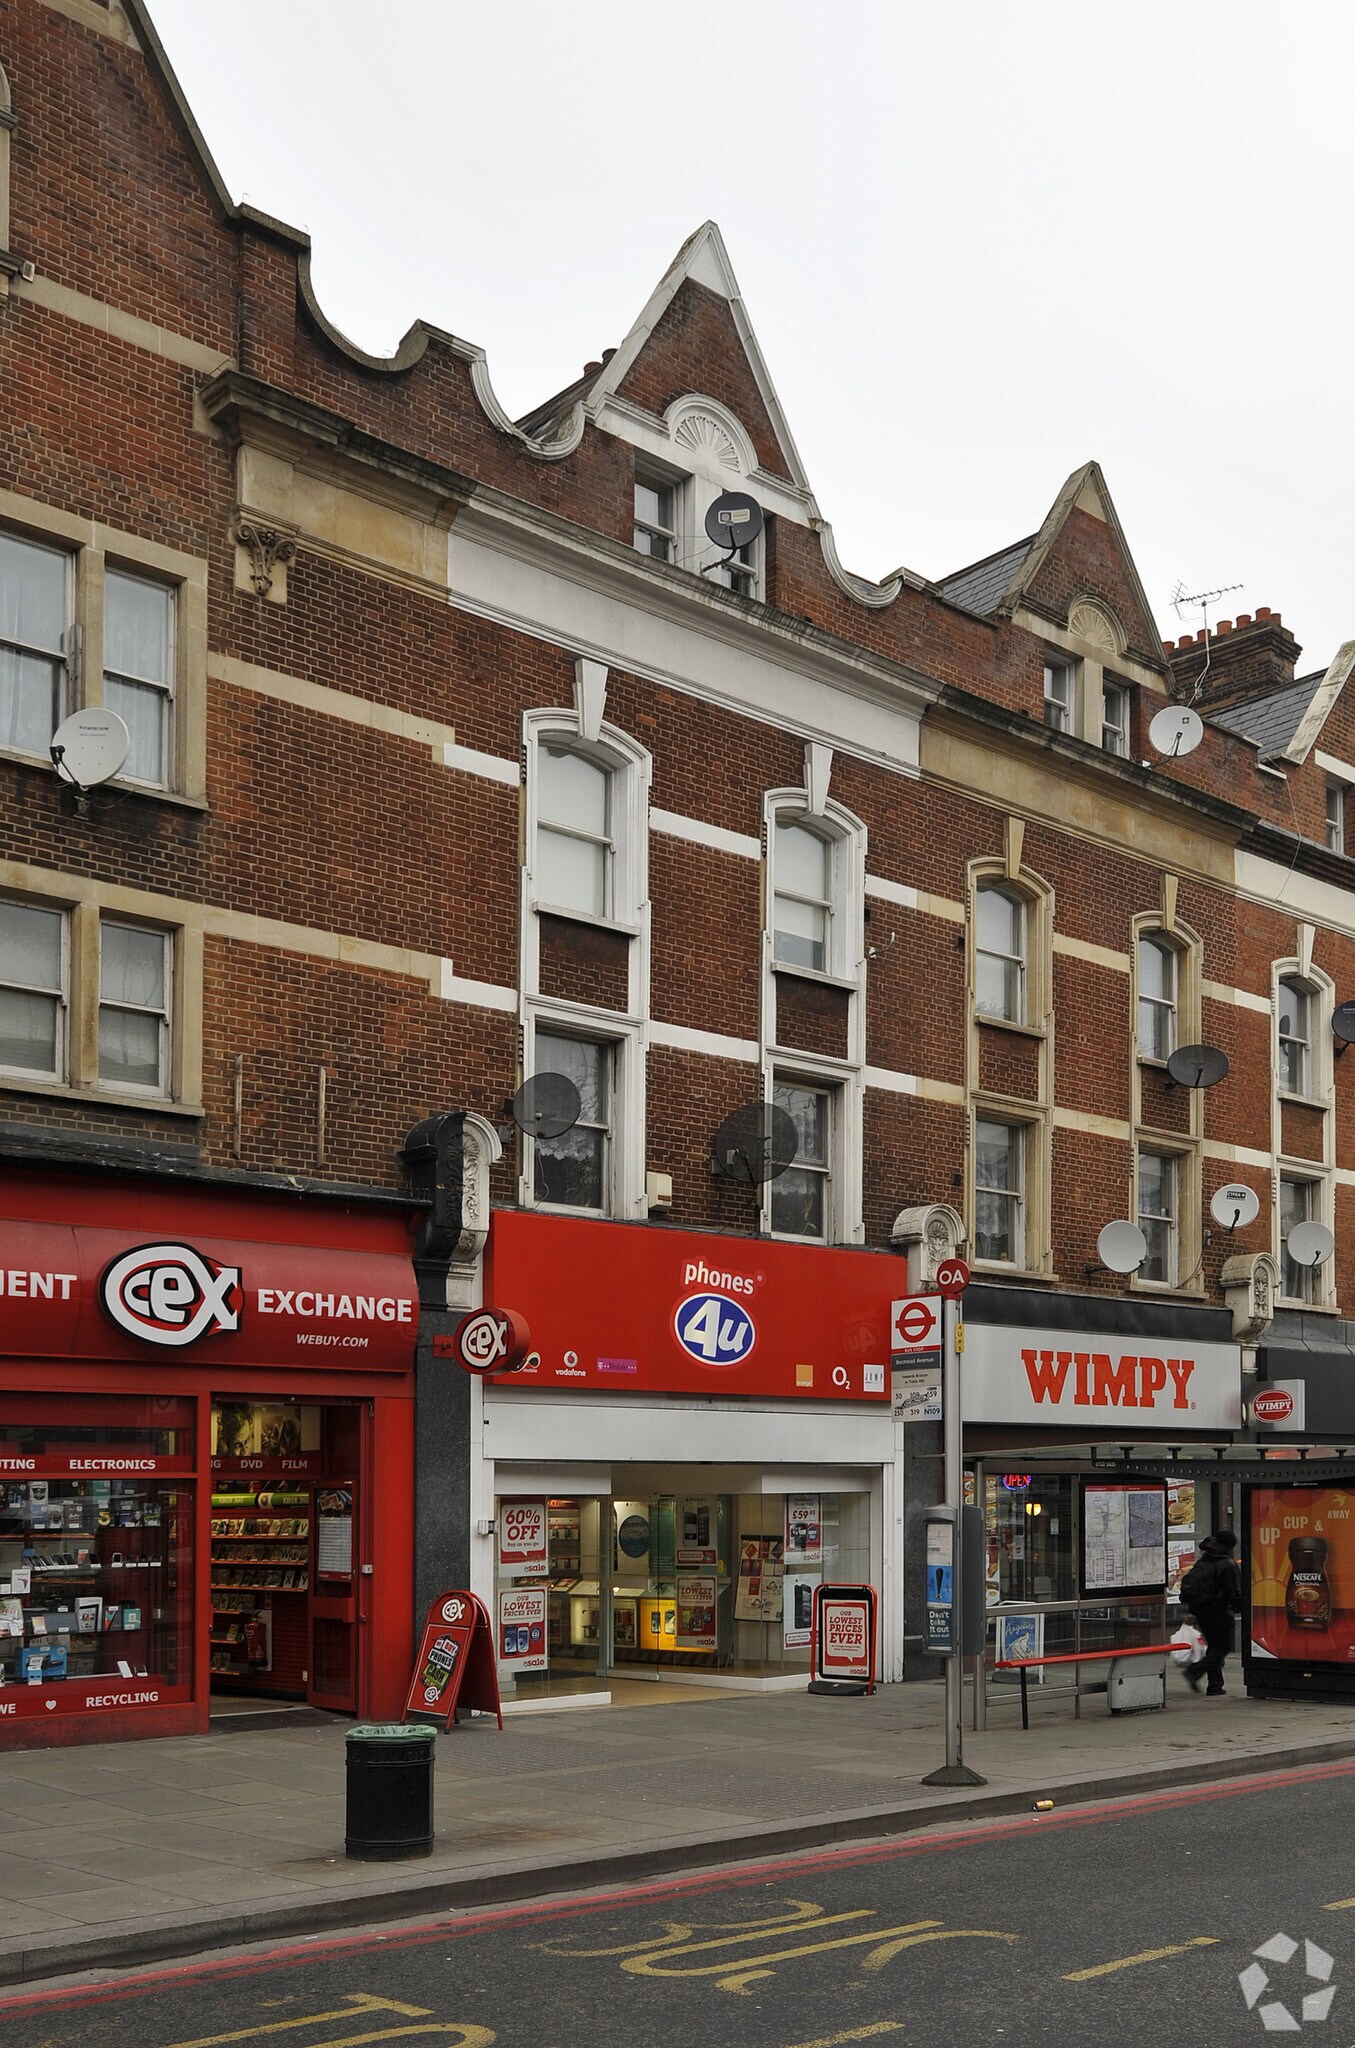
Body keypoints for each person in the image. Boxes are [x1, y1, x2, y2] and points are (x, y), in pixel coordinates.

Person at [1183, 1529, 1243, 1695]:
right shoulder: (1227, 1564)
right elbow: (1234, 1592)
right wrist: (1240, 1607)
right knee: (1223, 1647)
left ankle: (1215, 1685)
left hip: (1202, 1612)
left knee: (1215, 1647)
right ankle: (1194, 1671)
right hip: (1219, 1611)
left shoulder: (1204, 1561)